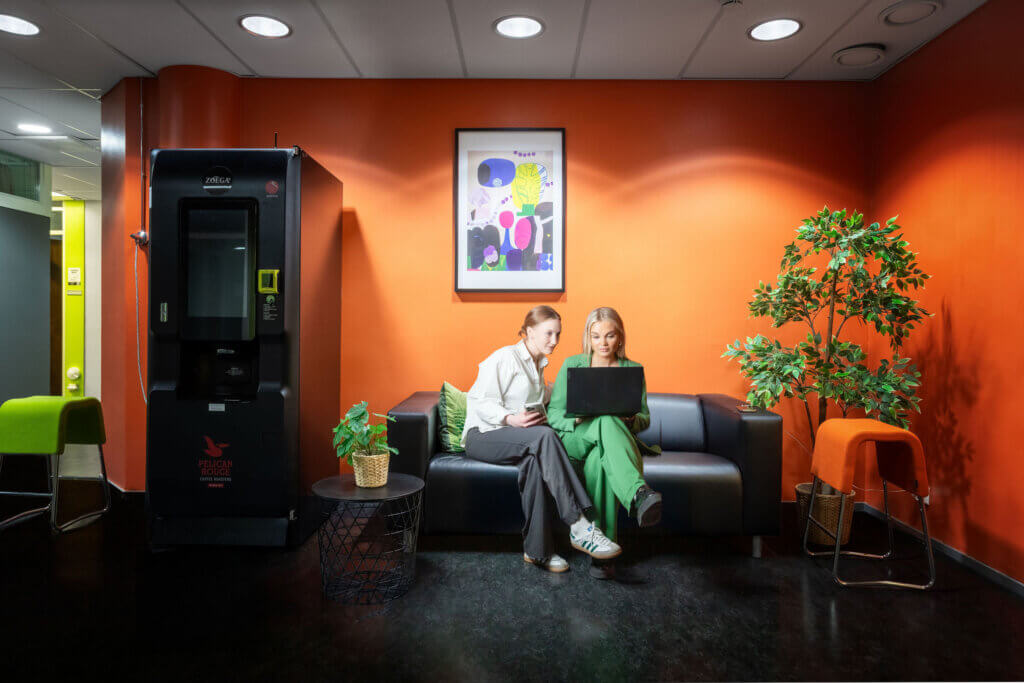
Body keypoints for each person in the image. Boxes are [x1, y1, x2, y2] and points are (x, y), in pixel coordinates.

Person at [461, 305, 621, 573]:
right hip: (483, 436)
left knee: (535, 463)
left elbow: (547, 399)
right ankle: (580, 525)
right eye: (548, 334)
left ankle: (538, 552)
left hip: (519, 439)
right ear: (529, 332)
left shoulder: (539, 366)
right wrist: (509, 419)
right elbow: (479, 401)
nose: (554, 341)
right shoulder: (504, 357)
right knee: (545, 437)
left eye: (558, 334)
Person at [547, 306, 663, 579]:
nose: (603, 343)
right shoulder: (572, 364)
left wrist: (630, 420)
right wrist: (575, 420)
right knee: (603, 421)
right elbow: (553, 414)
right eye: (596, 336)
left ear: (620, 337)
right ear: (588, 337)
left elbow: (644, 418)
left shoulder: (632, 369)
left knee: (603, 449)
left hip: (608, 444)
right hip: (575, 439)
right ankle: (638, 494)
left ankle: (603, 556)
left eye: (609, 336)